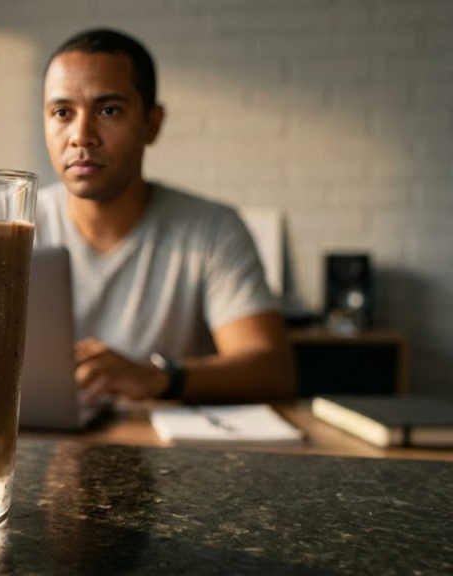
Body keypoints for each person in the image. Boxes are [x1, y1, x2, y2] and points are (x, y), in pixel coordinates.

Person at [36, 28, 295, 404]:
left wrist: (158, 378)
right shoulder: (15, 227)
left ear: (152, 124)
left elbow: (272, 369)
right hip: (38, 436)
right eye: (62, 113)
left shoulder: (212, 229)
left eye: (109, 110)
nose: (81, 136)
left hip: (158, 438)